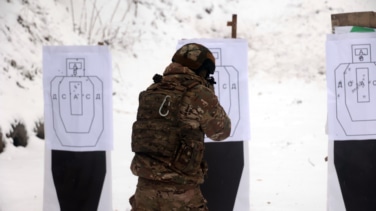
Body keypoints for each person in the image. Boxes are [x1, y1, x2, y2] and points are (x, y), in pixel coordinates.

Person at [129, 43, 231, 210]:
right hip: (181, 195)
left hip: (144, 192)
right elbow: (221, 132)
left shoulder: (152, 90)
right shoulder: (199, 94)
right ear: (203, 70)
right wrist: (210, 95)